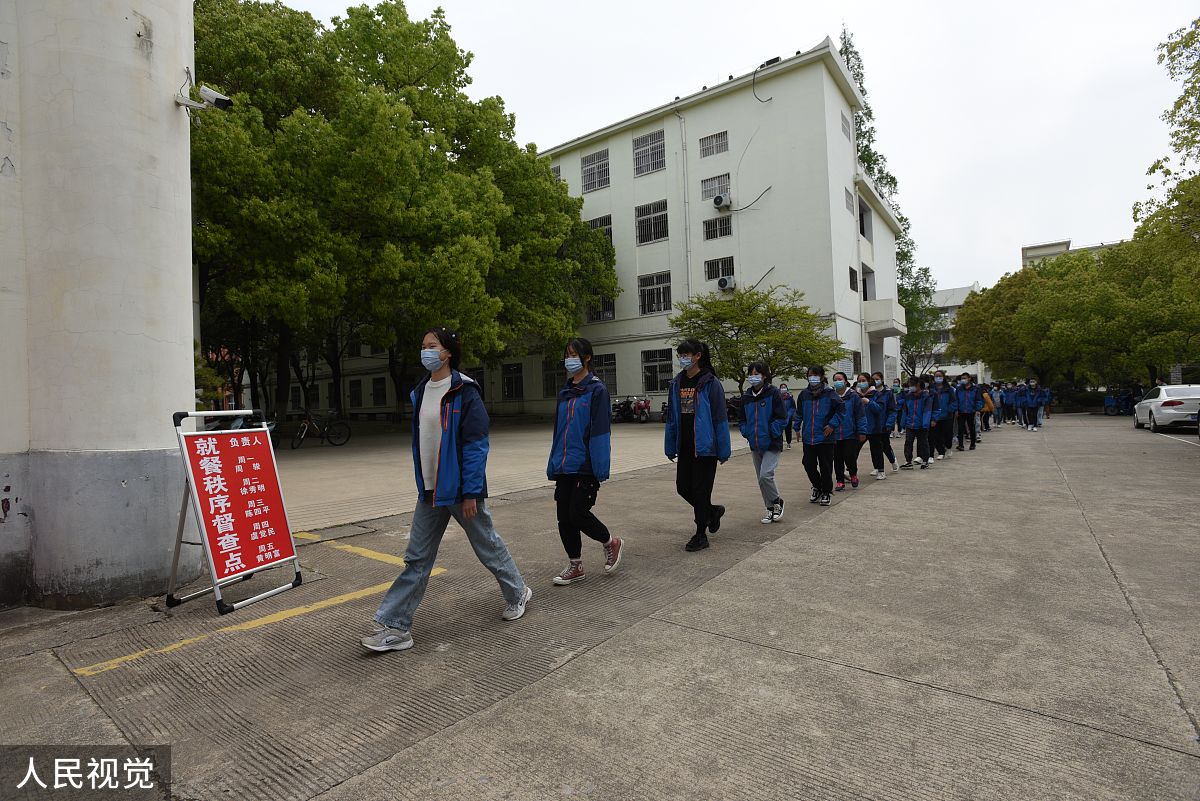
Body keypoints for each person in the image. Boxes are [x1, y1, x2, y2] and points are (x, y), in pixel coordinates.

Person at [362, 327, 532, 653]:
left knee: (488, 547)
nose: (426, 351)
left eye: (432, 346)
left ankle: (517, 592)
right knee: (417, 559)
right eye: (423, 345)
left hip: (459, 490)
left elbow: (476, 445)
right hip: (430, 491)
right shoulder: (421, 391)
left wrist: (471, 492)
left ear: (448, 352)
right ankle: (396, 628)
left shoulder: (465, 392)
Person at [546, 337, 622, 586]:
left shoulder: (596, 390)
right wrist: (553, 463)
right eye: (567, 354)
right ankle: (575, 565)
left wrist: (599, 467)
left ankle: (611, 542)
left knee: (577, 512)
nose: (569, 359)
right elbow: (559, 431)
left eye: (574, 354)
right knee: (563, 516)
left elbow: (600, 431)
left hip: (585, 464)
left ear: (587, 357)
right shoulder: (566, 391)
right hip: (565, 463)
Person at [664, 340, 731, 552]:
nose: (683, 358)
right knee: (683, 487)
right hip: (685, 444)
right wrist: (669, 444)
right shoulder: (677, 382)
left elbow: (720, 418)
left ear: (698, 356)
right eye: (680, 354)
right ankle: (712, 512)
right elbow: (672, 418)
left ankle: (701, 534)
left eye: (687, 354)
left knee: (701, 491)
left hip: (705, 447)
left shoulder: (710, 383)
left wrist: (723, 448)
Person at [738, 363, 788, 523]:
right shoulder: (746, 397)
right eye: (751, 374)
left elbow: (782, 417)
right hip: (755, 443)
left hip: (772, 442)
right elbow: (742, 420)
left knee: (766, 475)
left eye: (757, 374)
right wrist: (747, 432)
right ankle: (770, 509)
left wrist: (772, 431)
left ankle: (777, 503)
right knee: (761, 479)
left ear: (764, 376)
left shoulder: (773, 393)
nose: (753, 377)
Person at [796, 365, 844, 506]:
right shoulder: (804, 394)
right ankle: (817, 486)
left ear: (822, 376)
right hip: (808, 437)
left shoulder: (830, 393)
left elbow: (841, 410)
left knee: (826, 466)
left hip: (825, 438)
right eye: (810, 375)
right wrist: (797, 427)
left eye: (816, 375)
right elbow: (799, 413)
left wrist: (832, 425)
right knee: (808, 464)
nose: (813, 378)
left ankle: (826, 492)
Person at [830, 371, 867, 491]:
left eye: (839, 379)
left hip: (850, 433)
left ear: (845, 381)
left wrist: (862, 431)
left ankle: (853, 475)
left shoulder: (854, 396)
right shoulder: (831, 396)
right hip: (834, 434)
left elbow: (860, 415)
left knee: (850, 457)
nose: (837, 381)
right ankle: (840, 481)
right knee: (837, 458)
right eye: (835, 379)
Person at [899, 377, 935, 470]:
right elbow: (905, 410)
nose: (910, 387)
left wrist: (925, 423)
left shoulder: (926, 396)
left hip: (921, 424)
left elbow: (927, 411)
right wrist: (903, 422)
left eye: (912, 384)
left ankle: (925, 461)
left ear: (918, 385)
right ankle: (908, 461)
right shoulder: (908, 396)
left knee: (923, 443)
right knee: (908, 442)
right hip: (910, 424)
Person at [861, 373, 889, 480]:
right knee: (853, 449)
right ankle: (850, 470)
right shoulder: (856, 394)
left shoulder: (877, 394)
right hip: (861, 427)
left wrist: (868, 402)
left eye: (863, 381)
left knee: (876, 449)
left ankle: (880, 470)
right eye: (859, 381)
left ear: (869, 381)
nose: (861, 383)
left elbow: (879, 409)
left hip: (874, 427)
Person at [872, 371, 900, 472]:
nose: (875, 381)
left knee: (885, 445)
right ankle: (876, 466)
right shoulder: (871, 392)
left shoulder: (888, 392)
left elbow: (892, 410)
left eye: (877, 379)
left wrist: (889, 423)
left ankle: (893, 461)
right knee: (874, 447)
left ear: (882, 380)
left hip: (884, 423)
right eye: (873, 379)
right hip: (873, 425)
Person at [929, 369, 957, 461]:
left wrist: (950, 410)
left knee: (948, 434)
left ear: (943, 377)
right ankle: (941, 452)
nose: (938, 378)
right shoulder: (931, 389)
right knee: (936, 435)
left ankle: (948, 447)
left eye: (939, 376)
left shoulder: (949, 389)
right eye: (936, 376)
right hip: (935, 416)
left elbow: (953, 401)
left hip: (947, 415)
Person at [954, 373, 983, 450]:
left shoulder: (975, 388)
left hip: (971, 410)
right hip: (961, 411)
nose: (963, 380)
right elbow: (956, 400)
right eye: (962, 378)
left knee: (972, 427)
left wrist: (978, 409)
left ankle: (972, 444)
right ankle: (961, 445)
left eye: (965, 378)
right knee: (960, 428)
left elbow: (979, 400)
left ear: (969, 378)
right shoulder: (959, 388)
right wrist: (956, 409)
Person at [779, 382, 797, 450]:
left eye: (784, 387)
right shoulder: (778, 397)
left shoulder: (790, 398)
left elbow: (793, 407)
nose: (783, 389)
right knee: (779, 431)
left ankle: (788, 443)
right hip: (780, 417)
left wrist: (789, 414)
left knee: (788, 431)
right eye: (782, 387)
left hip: (788, 417)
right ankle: (780, 444)